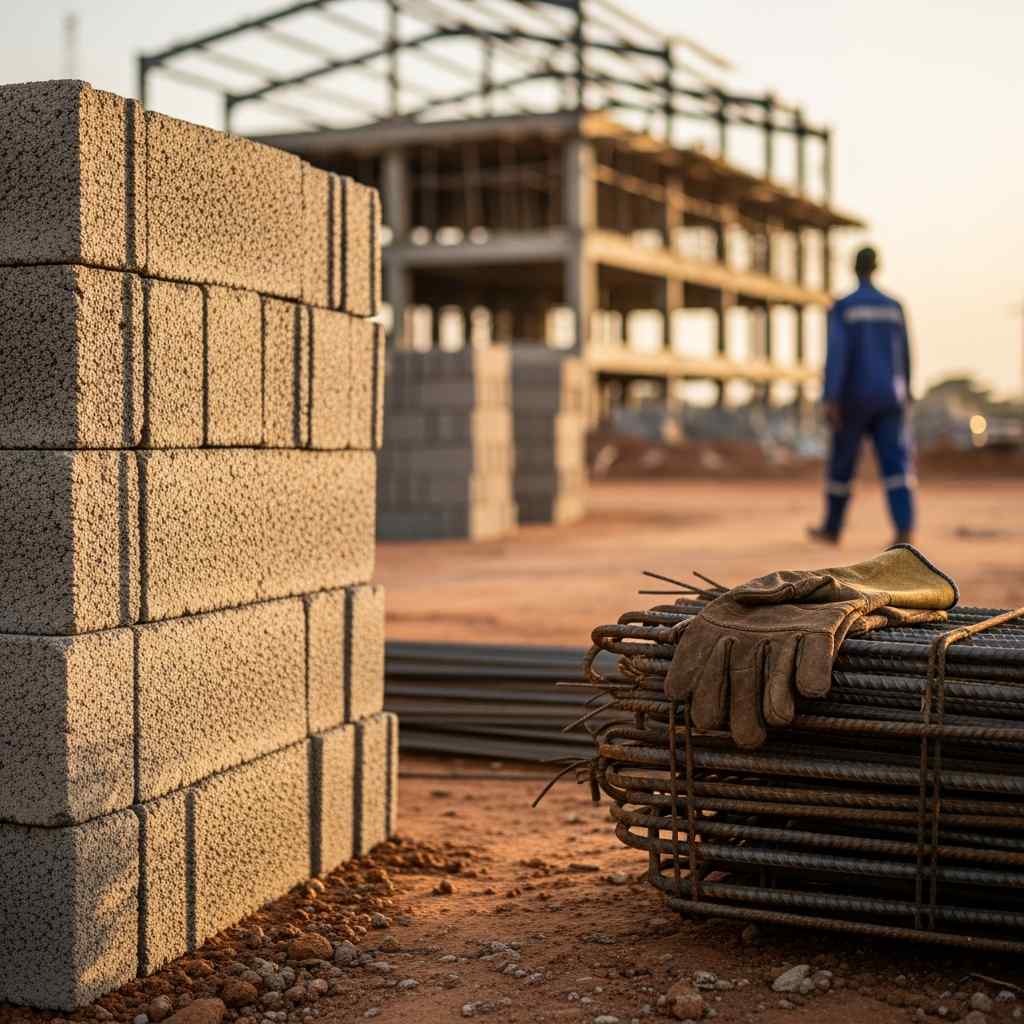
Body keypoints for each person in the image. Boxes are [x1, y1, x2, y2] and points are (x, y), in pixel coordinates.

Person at [808, 246, 915, 545]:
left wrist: (830, 397)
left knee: (842, 466)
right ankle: (904, 529)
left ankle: (832, 528)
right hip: (891, 397)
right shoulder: (894, 307)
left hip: (854, 398)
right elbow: (906, 354)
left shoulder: (844, 307)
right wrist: (906, 391)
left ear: (853, 268)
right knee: (896, 466)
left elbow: (837, 354)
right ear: (877, 267)